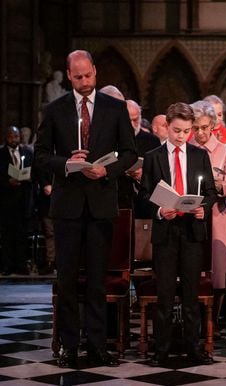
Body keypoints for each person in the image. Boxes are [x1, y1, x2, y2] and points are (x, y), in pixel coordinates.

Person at [34, 50, 137, 368]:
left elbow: (130, 153)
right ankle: (68, 345)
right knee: (66, 280)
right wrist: (66, 163)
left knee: (96, 279)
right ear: (68, 75)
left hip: (101, 202)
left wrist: (108, 170)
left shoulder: (115, 108)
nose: (83, 82)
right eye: (77, 77)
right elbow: (39, 155)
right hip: (67, 205)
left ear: (95, 71)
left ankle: (97, 345)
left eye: (88, 76)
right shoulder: (56, 109)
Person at [140, 102, 217, 366]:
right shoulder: (153, 157)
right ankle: (160, 350)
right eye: (176, 130)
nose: (181, 136)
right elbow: (145, 195)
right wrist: (161, 211)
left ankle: (193, 349)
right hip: (166, 232)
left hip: (191, 231)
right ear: (167, 127)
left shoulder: (199, 155)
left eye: (186, 131)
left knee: (190, 296)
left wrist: (203, 209)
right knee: (164, 294)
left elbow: (210, 192)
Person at [188, 100, 226, 335]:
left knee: (218, 270)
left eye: (205, 127)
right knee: (194, 267)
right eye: (196, 128)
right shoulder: (186, 147)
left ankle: (214, 321)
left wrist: (220, 186)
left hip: (217, 214)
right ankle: (193, 319)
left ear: (213, 126)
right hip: (192, 214)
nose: (200, 133)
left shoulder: (223, 150)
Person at [0, 126, 33, 275]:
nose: (14, 139)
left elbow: (35, 170)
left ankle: (21, 265)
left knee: (22, 235)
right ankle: (7, 266)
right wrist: (8, 182)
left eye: (16, 136)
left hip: (23, 200)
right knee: (7, 235)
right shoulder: (1, 154)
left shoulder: (27, 152)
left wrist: (30, 177)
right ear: (6, 137)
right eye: (11, 137)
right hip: (6, 201)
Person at [120, 100, 160, 217]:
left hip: (144, 202)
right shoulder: (112, 139)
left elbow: (159, 173)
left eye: (136, 120)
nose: (132, 125)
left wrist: (143, 175)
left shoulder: (152, 141)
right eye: (128, 120)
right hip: (120, 200)